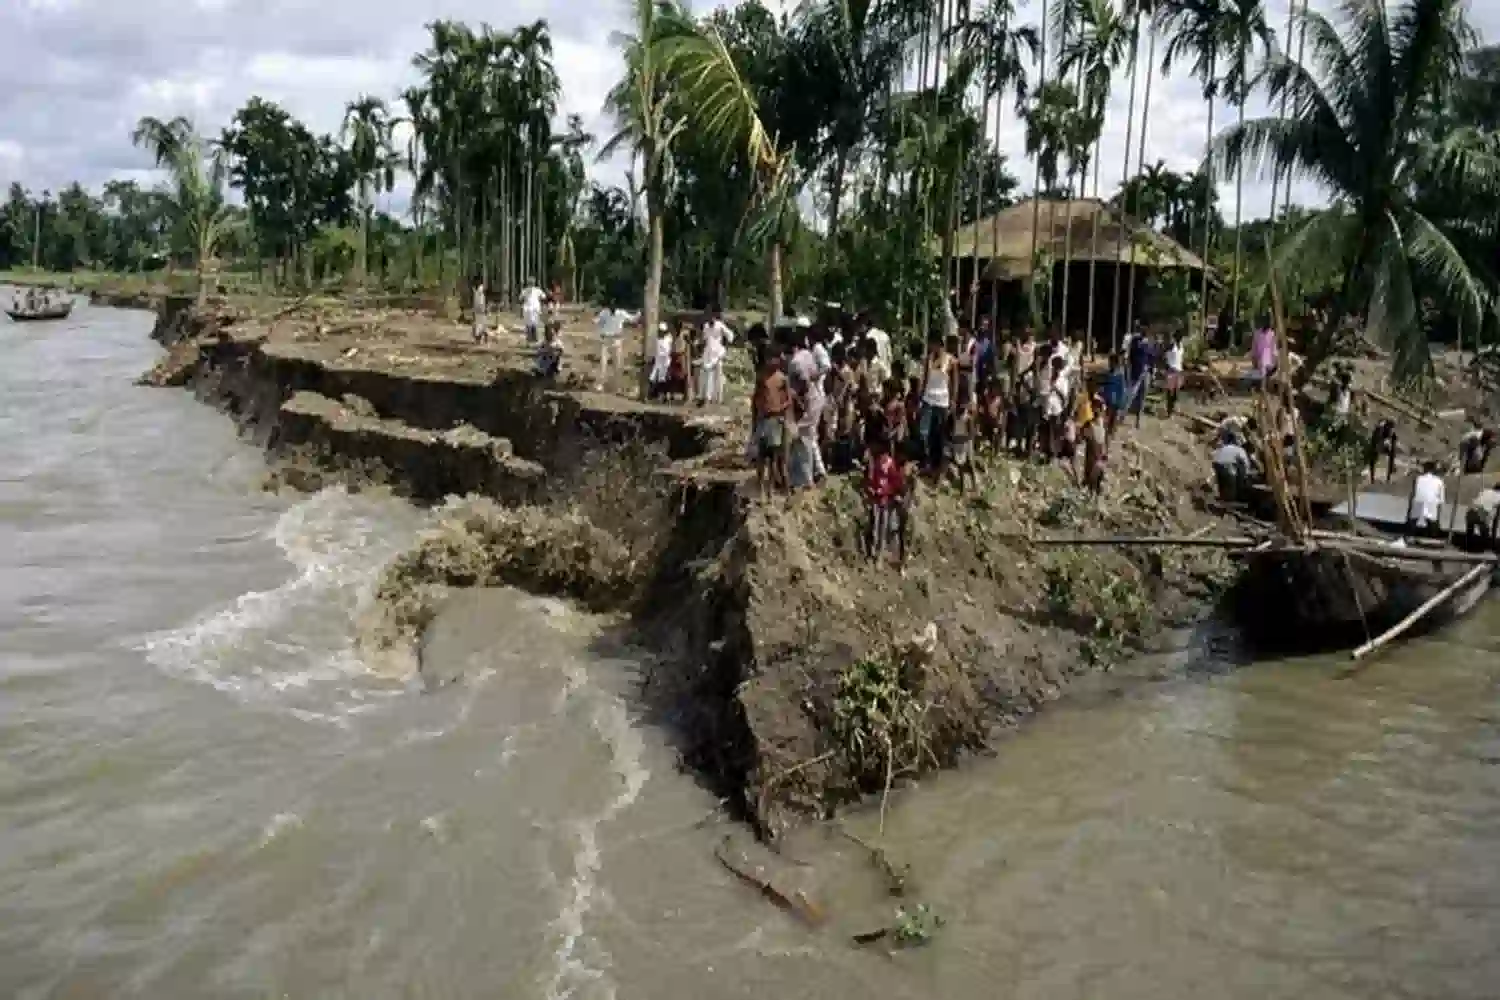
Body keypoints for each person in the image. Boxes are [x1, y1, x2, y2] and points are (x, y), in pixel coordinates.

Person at [751, 352, 791, 498]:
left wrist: (780, 411)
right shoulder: (761, 377)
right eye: (770, 358)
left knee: (774, 458)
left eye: (774, 358)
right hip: (763, 419)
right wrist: (755, 420)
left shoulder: (782, 378)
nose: (772, 361)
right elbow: (755, 399)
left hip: (776, 420)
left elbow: (788, 400)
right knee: (761, 456)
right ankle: (761, 487)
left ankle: (770, 490)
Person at [864, 438, 907, 564]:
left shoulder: (891, 466)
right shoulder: (877, 463)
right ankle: (872, 552)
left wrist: (882, 491)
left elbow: (895, 484)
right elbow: (873, 479)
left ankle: (880, 555)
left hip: (886, 501)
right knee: (875, 528)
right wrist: (871, 488)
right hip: (877, 500)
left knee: (883, 529)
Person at [919, 332, 956, 477]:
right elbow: (925, 379)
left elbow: (954, 383)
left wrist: (953, 401)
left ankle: (939, 467)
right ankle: (929, 463)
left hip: (942, 401)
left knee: (940, 435)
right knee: (926, 433)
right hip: (929, 399)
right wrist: (921, 397)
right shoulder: (928, 359)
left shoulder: (950, 360)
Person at [698, 310, 735, 406]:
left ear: (714, 317)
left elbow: (730, 335)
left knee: (718, 376)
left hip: (718, 353)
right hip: (708, 353)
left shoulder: (720, 325)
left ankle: (718, 398)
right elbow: (705, 339)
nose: (710, 319)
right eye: (708, 316)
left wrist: (726, 346)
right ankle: (706, 397)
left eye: (711, 317)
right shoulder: (706, 326)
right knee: (706, 375)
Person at [594, 302, 633, 389]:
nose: (612, 308)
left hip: (616, 340)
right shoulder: (604, 312)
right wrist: (597, 322)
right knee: (603, 363)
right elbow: (598, 322)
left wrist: (639, 314)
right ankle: (601, 384)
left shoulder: (621, 313)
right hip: (606, 340)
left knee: (618, 364)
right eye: (611, 306)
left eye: (614, 306)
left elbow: (632, 319)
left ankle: (617, 385)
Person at [1407, 461, 1447, 534]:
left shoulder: (1418, 478)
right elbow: (1441, 499)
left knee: (1414, 516)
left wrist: (1409, 508)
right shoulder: (1439, 481)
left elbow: (1413, 493)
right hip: (1432, 504)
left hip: (1418, 502)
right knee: (1433, 516)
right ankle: (1434, 532)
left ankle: (1411, 531)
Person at [1212, 434, 1252, 502]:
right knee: (1232, 482)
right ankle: (1231, 500)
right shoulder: (1240, 450)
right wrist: (1246, 476)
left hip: (1217, 465)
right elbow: (1246, 464)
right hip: (1227, 467)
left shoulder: (1223, 447)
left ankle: (1221, 496)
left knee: (1222, 482)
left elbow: (1215, 457)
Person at [949, 398, 978, 491]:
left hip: (966, 442)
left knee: (970, 463)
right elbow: (948, 431)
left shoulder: (968, 419)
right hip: (957, 441)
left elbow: (971, 435)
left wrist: (962, 440)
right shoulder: (952, 417)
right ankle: (963, 488)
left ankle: (974, 486)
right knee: (961, 465)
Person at [1082, 392, 1108, 495]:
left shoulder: (1098, 423)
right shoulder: (1091, 423)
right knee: (1090, 474)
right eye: (1094, 406)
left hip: (1097, 454)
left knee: (1094, 475)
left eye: (1097, 406)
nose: (1095, 408)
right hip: (1092, 453)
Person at [1465, 480, 1500, 550]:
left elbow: (1477, 501)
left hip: (1470, 512)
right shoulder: (1499, 496)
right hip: (1481, 513)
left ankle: (1468, 544)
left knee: (1471, 528)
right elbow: (1495, 517)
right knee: (1485, 529)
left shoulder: (1485, 491)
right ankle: (1485, 546)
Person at [1366, 418, 1398, 483]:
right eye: (1390, 427)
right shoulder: (1380, 429)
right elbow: (1376, 439)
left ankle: (1389, 474)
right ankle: (1373, 478)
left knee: (1392, 453)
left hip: (1380, 445)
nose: (1391, 429)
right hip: (1377, 445)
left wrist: (1390, 442)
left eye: (1391, 428)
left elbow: (1392, 439)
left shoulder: (1389, 431)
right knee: (1373, 457)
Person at [648, 321, 674, 397]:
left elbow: (667, 351)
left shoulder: (668, 338)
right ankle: (653, 394)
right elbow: (656, 350)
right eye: (660, 331)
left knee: (662, 378)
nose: (661, 333)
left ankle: (662, 395)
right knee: (652, 377)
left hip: (665, 361)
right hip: (658, 360)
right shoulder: (658, 339)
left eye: (662, 331)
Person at [519, 277, 548, 344]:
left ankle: (530, 339)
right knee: (534, 324)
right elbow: (544, 297)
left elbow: (520, 298)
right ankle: (534, 339)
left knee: (530, 324)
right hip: (534, 309)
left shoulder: (525, 290)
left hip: (529, 309)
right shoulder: (537, 290)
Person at [1163, 332, 1185, 417]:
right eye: (1179, 337)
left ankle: (1171, 409)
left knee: (1176, 393)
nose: (1180, 339)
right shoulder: (1172, 346)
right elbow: (1165, 355)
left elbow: (1180, 359)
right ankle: (1169, 410)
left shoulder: (1181, 346)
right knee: (1170, 391)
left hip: (1178, 371)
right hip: (1171, 370)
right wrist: (1167, 366)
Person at [1249, 315, 1278, 381]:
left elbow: (1274, 350)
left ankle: (1263, 385)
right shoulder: (1257, 334)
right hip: (1259, 361)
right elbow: (1254, 349)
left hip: (1270, 362)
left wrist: (1275, 360)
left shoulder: (1272, 334)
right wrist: (1254, 360)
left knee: (1264, 359)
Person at [470, 277, 489, 343]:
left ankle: (479, 338)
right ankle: (483, 336)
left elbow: (479, 302)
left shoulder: (479, 292)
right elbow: (479, 302)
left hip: (479, 311)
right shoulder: (478, 292)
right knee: (480, 325)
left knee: (478, 325)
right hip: (479, 310)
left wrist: (482, 309)